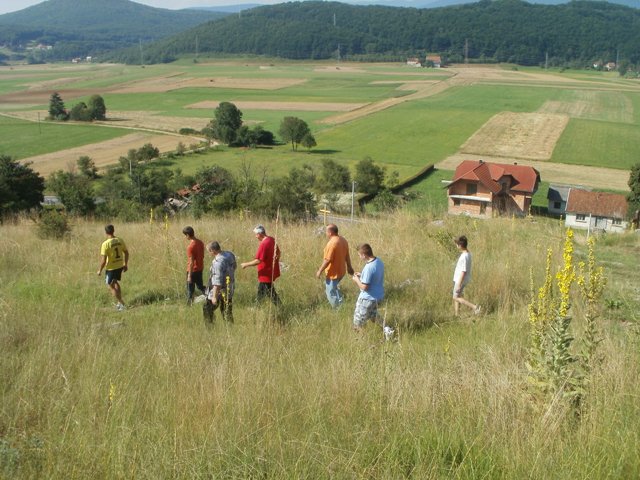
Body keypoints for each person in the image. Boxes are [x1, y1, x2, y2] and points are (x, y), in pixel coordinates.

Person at [351, 243, 388, 336]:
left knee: (357, 323)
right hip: (378, 297)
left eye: (359, 255)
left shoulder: (368, 267)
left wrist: (357, 280)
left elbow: (364, 287)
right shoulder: (378, 261)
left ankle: (363, 341)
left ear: (364, 255)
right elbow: (374, 277)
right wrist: (362, 275)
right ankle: (388, 330)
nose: (359, 257)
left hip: (367, 299)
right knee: (373, 315)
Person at [315, 224, 354, 308]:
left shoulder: (332, 243)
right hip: (341, 271)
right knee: (334, 288)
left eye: (326, 231)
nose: (325, 233)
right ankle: (341, 303)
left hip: (333, 273)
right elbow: (347, 255)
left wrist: (319, 271)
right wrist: (349, 267)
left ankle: (338, 309)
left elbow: (327, 260)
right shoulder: (343, 240)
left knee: (330, 292)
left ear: (330, 232)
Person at [241, 224, 281, 305]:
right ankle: (258, 307)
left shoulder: (264, 244)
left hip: (265, 273)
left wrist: (246, 264)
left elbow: (258, 260)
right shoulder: (271, 239)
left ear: (259, 234)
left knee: (269, 292)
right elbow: (279, 253)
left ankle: (279, 307)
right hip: (270, 271)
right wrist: (274, 262)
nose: (256, 237)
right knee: (265, 291)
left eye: (256, 235)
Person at [96, 224, 129, 311]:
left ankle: (122, 303)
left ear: (106, 232)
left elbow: (103, 260)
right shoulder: (120, 240)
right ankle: (119, 303)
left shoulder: (105, 244)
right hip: (119, 266)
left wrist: (99, 270)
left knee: (110, 285)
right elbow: (126, 252)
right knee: (115, 282)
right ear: (113, 231)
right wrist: (125, 264)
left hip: (111, 268)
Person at [203, 241, 237, 324]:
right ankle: (230, 328)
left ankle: (210, 329)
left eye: (209, 251)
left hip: (219, 290)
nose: (209, 254)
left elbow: (217, 282)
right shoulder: (229, 254)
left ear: (213, 250)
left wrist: (214, 297)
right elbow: (234, 266)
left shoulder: (217, 263)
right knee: (227, 310)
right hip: (229, 287)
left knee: (207, 309)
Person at [452, 235, 481, 316]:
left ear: (460, 246)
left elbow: (463, 271)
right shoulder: (468, 253)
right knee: (458, 296)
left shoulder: (464, 256)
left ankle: (475, 307)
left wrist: (458, 284)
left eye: (457, 244)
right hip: (460, 279)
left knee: (455, 297)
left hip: (460, 280)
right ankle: (457, 314)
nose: (456, 246)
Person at [183, 226, 206, 305]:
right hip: (200, 268)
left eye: (185, 235)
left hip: (193, 270)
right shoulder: (200, 242)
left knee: (190, 289)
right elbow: (202, 255)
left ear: (188, 235)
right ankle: (210, 294)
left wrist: (189, 275)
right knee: (200, 286)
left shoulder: (190, 247)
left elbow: (191, 262)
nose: (185, 237)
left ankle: (189, 305)